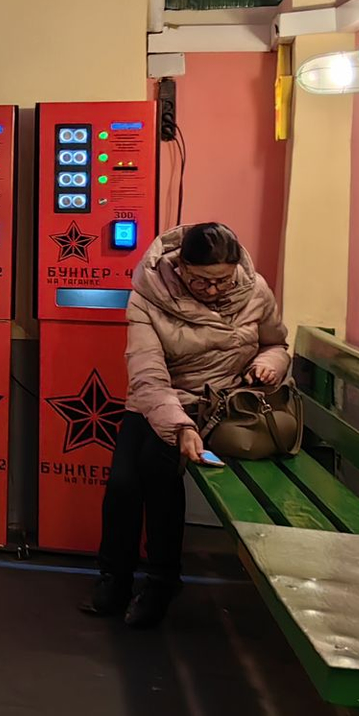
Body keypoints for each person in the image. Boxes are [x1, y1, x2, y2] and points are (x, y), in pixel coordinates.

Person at [81, 222, 290, 628]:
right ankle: (115, 576)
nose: (212, 290)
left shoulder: (255, 290)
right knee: (124, 482)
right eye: (201, 281)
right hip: (161, 400)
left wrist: (269, 364)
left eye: (222, 281)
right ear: (180, 266)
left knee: (157, 472)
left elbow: (275, 344)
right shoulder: (148, 295)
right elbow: (147, 374)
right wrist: (179, 426)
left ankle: (161, 581)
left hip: (224, 406)